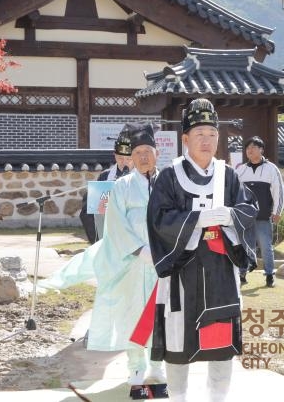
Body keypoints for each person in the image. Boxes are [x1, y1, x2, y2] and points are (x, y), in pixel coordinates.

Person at [147, 98, 257, 402]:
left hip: (221, 273)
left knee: (220, 344)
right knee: (179, 344)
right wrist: (196, 221)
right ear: (185, 139)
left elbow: (249, 208)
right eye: (199, 134)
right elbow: (158, 220)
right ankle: (178, 397)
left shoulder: (229, 176)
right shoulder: (170, 177)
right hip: (183, 275)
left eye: (212, 134)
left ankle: (217, 398)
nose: (207, 141)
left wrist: (231, 216)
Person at [84, 122, 165, 395]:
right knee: (133, 315)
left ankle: (158, 368)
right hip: (133, 262)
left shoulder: (169, 183)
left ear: (157, 153)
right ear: (131, 156)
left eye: (148, 151)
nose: (143, 156)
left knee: (161, 315)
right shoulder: (122, 186)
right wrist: (140, 251)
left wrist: (166, 252)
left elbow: (178, 219)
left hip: (163, 264)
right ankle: (136, 370)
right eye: (138, 151)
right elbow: (116, 224)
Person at [235, 135, 284, 287]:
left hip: (263, 216)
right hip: (245, 217)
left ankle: (269, 275)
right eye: (248, 148)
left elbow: (279, 191)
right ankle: (242, 274)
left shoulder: (271, 169)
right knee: (244, 245)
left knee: (266, 246)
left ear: (261, 150)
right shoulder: (241, 170)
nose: (250, 150)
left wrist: (277, 211)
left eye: (253, 147)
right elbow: (235, 193)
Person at [79, 129, 133, 243]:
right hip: (109, 229)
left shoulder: (141, 176)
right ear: (114, 156)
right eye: (120, 158)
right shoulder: (106, 175)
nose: (124, 162)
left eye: (128, 159)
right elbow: (91, 207)